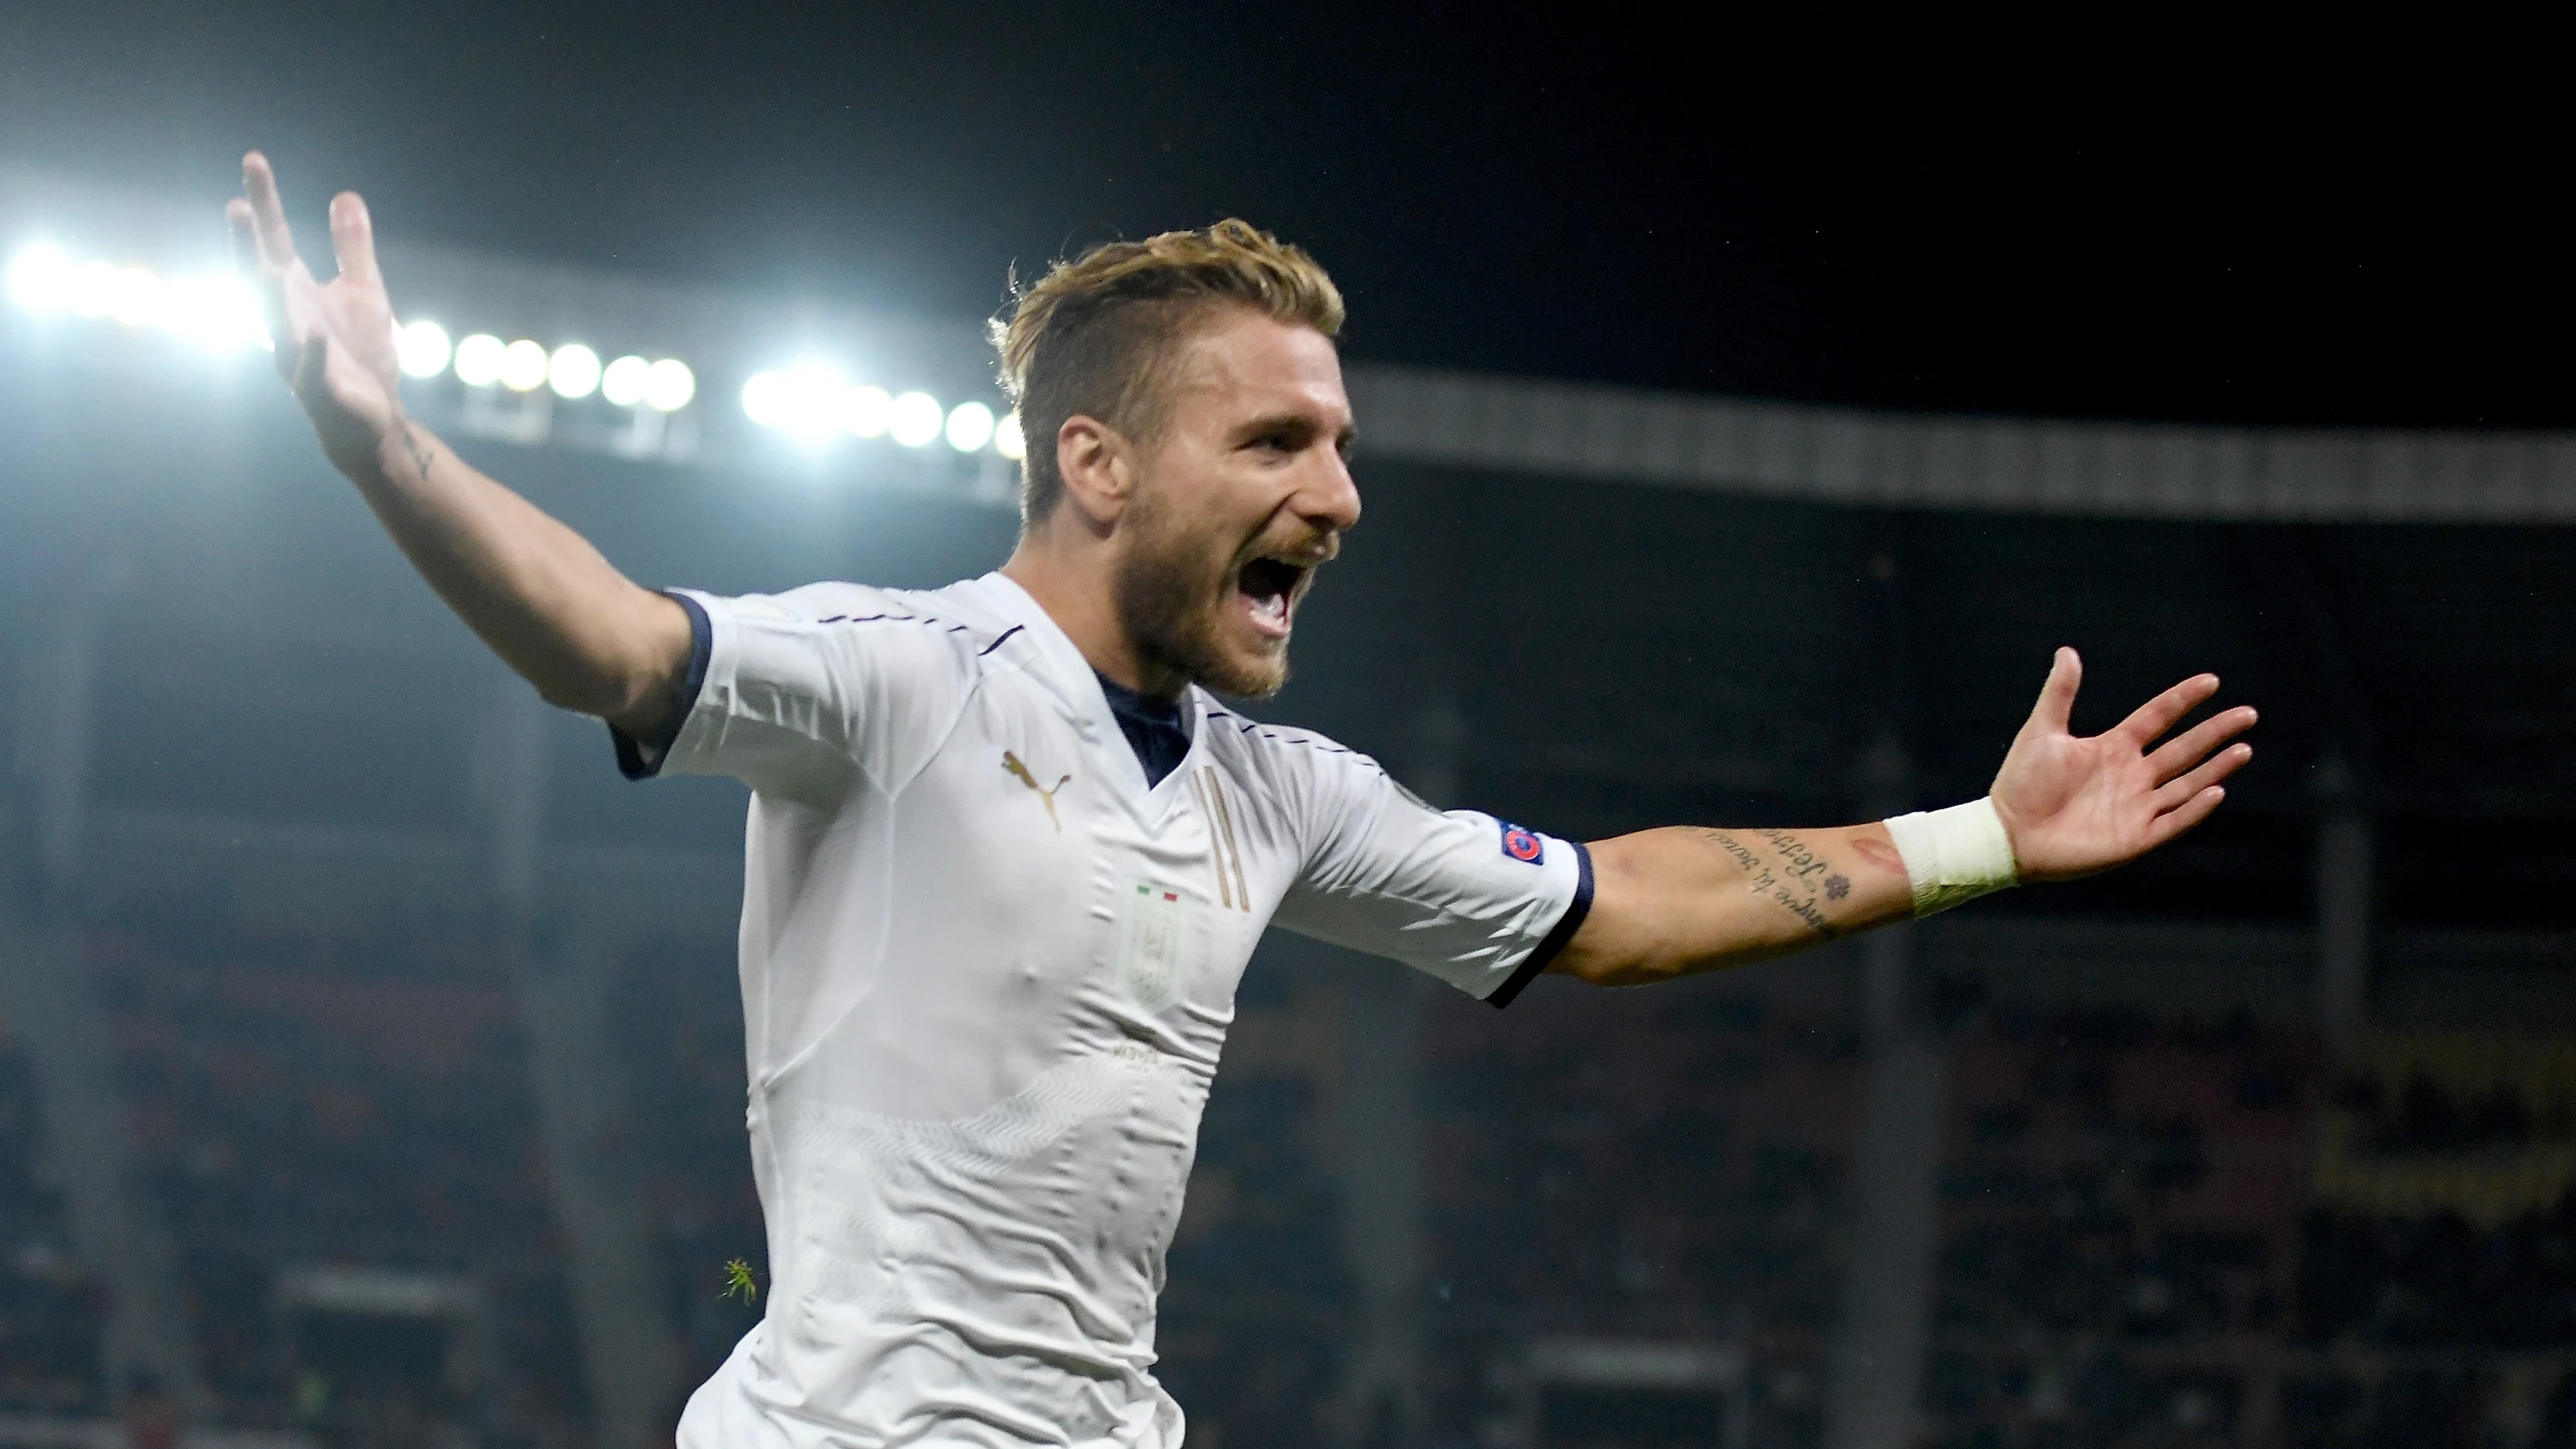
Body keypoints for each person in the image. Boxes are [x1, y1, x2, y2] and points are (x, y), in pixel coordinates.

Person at [227, 151, 2256, 1448]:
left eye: (1345, 443)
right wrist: (387, 452)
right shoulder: (898, 676)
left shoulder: (1279, 793)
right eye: (1278, 438)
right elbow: (609, 640)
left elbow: (1611, 906)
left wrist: (1988, 836)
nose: (1343, 495)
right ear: (1097, 464)